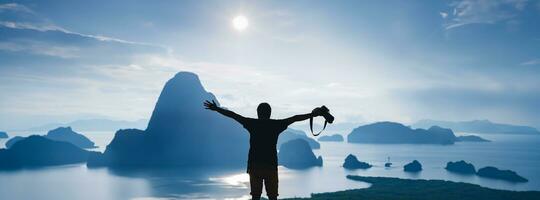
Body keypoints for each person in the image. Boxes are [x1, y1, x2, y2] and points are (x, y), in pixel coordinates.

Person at [203, 100, 323, 200]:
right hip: (270, 166)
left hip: (254, 166)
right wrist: (313, 114)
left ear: (258, 113)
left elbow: (233, 115)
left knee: (255, 196)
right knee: (272, 197)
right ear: (270, 113)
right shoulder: (276, 125)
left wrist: (217, 109)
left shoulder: (252, 123)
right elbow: (295, 118)